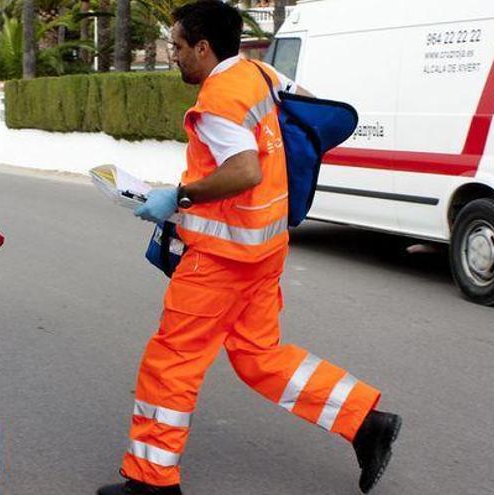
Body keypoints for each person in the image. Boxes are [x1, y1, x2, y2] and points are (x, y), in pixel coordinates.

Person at [96, 2, 401, 495]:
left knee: (171, 362)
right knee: (259, 356)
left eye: (176, 45)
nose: (172, 55)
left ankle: (151, 482)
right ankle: (366, 420)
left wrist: (178, 196)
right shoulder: (259, 73)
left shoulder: (218, 98)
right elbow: (309, 109)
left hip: (220, 260)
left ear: (203, 46)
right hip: (265, 248)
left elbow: (244, 170)